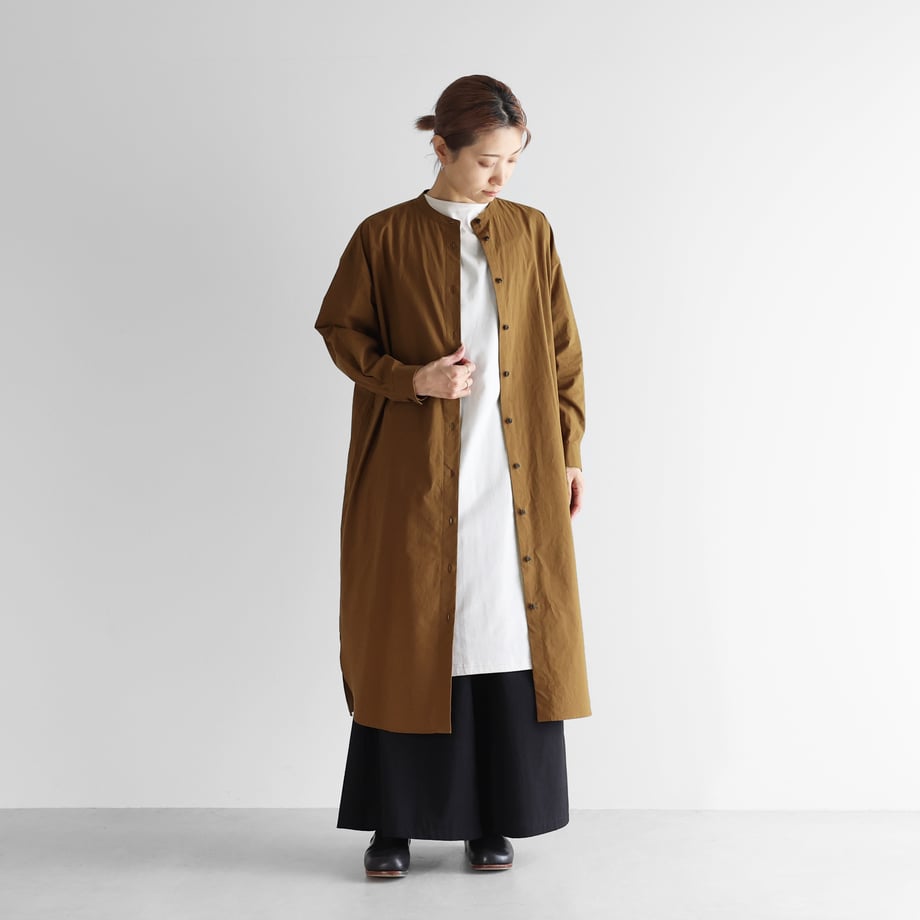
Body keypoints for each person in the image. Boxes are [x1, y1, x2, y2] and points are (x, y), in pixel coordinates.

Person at [314, 74, 591, 879]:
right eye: (485, 161)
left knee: (502, 630)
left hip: (515, 480)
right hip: (414, 478)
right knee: (409, 637)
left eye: (513, 161)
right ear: (441, 148)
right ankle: (394, 825)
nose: (500, 176)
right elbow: (341, 331)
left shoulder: (531, 232)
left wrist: (570, 451)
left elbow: (564, 351)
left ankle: (492, 817)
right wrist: (413, 380)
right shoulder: (384, 236)